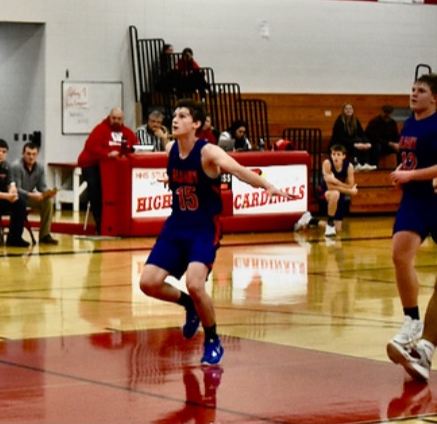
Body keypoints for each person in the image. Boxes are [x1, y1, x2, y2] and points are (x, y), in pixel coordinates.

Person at [138, 100, 294, 367]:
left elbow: (239, 170)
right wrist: (171, 181)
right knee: (148, 283)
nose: (175, 119)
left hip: (203, 227)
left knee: (196, 283)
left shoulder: (208, 152)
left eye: (183, 115)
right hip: (176, 225)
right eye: (174, 115)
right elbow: (182, 180)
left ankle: (212, 339)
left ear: (196, 124)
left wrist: (267, 186)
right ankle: (190, 306)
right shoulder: (170, 149)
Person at [384, 74, 437, 382]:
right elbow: (414, 160)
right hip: (414, 202)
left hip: (433, 199)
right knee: (400, 254)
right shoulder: (409, 125)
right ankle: (412, 321)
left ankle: (426, 348)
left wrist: (411, 175)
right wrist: (402, 172)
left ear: (435, 99)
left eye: (421, 91)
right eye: (412, 89)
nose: (414, 94)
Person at [76, 108, 137, 231]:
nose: (116, 121)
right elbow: (91, 147)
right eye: (114, 118)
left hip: (116, 168)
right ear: (109, 117)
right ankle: (99, 220)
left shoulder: (128, 133)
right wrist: (107, 154)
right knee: (96, 187)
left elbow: (135, 146)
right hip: (92, 165)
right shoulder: (100, 130)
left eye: (119, 119)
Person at [13, 141, 58, 245]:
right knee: (20, 200)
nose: (31, 157)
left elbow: (42, 187)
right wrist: (31, 195)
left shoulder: (40, 168)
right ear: (22, 154)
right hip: (17, 197)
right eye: (28, 154)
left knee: (48, 201)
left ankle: (45, 235)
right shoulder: (16, 166)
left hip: (29, 196)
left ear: (37, 155)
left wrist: (48, 192)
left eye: (34, 154)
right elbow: (16, 188)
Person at [319, 144, 357, 238]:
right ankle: (330, 221)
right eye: (333, 154)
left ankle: (312, 221)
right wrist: (349, 191)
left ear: (344, 156)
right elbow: (330, 187)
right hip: (325, 191)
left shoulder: (349, 166)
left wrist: (335, 180)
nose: (335, 157)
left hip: (340, 193)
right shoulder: (327, 163)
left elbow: (351, 185)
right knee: (335, 194)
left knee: (337, 230)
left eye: (338, 154)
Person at [331, 103, 373, 169]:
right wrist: (354, 144)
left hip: (352, 141)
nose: (348, 110)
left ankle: (366, 163)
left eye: (350, 108)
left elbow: (361, 134)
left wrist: (367, 143)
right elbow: (341, 138)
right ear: (343, 110)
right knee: (356, 144)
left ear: (353, 110)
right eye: (346, 109)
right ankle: (356, 163)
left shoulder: (355, 121)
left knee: (362, 142)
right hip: (340, 143)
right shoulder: (339, 122)